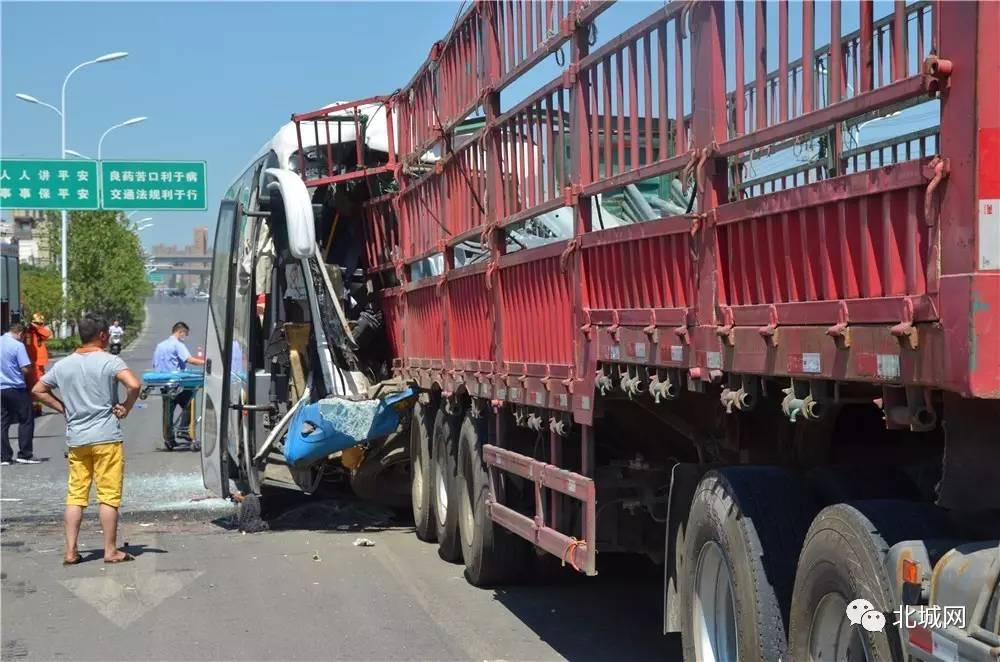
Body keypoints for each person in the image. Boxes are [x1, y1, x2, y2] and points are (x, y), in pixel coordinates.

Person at [31, 314, 141, 565]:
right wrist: (126, 406)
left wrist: (63, 408)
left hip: (77, 439)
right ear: (103, 335)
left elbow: (38, 390)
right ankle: (110, 550)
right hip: (106, 438)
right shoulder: (110, 361)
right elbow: (134, 385)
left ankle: (70, 551)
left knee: (76, 495)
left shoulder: (63, 365)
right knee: (108, 496)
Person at [152, 321, 205, 449]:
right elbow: (189, 360)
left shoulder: (160, 346)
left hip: (164, 383)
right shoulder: (177, 344)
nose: (185, 336)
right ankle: (183, 429)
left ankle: (169, 438)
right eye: (185, 334)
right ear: (180, 331)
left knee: (167, 412)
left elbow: (155, 364)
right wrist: (206, 363)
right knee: (189, 403)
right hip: (178, 383)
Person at [1, 323, 39, 465]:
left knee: (2, 422)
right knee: (26, 419)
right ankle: (25, 454)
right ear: (21, 333)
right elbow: (25, 369)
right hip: (16, 387)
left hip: (1, 388)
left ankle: (4, 457)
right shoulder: (18, 346)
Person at [24, 312, 53, 415]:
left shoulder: (38, 331)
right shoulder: (29, 333)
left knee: (37, 386)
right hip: (34, 363)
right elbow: (28, 347)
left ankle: (37, 408)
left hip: (39, 363)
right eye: (39, 323)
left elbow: (48, 334)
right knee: (35, 386)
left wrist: (37, 328)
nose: (41, 325)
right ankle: (34, 409)